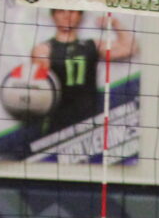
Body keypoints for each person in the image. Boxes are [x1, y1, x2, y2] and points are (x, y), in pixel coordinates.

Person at [35, 9, 137, 138]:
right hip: (58, 121)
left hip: (90, 117)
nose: (67, 16)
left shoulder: (91, 45)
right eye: (61, 12)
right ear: (53, 15)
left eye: (72, 11)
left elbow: (129, 48)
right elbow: (38, 89)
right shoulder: (43, 50)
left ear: (80, 16)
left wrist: (115, 23)